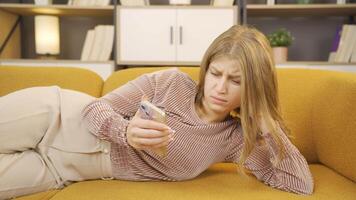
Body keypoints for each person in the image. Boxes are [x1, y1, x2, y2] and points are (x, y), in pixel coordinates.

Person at [0, 25, 313, 199]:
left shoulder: (234, 140)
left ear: (254, 89)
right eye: (215, 74)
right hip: (53, 117)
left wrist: (266, 122)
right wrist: (125, 132)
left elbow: (299, 184)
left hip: (60, 172)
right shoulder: (171, 82)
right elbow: (94, 108)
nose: (219, 88)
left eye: (236, 81)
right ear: (206, 69)